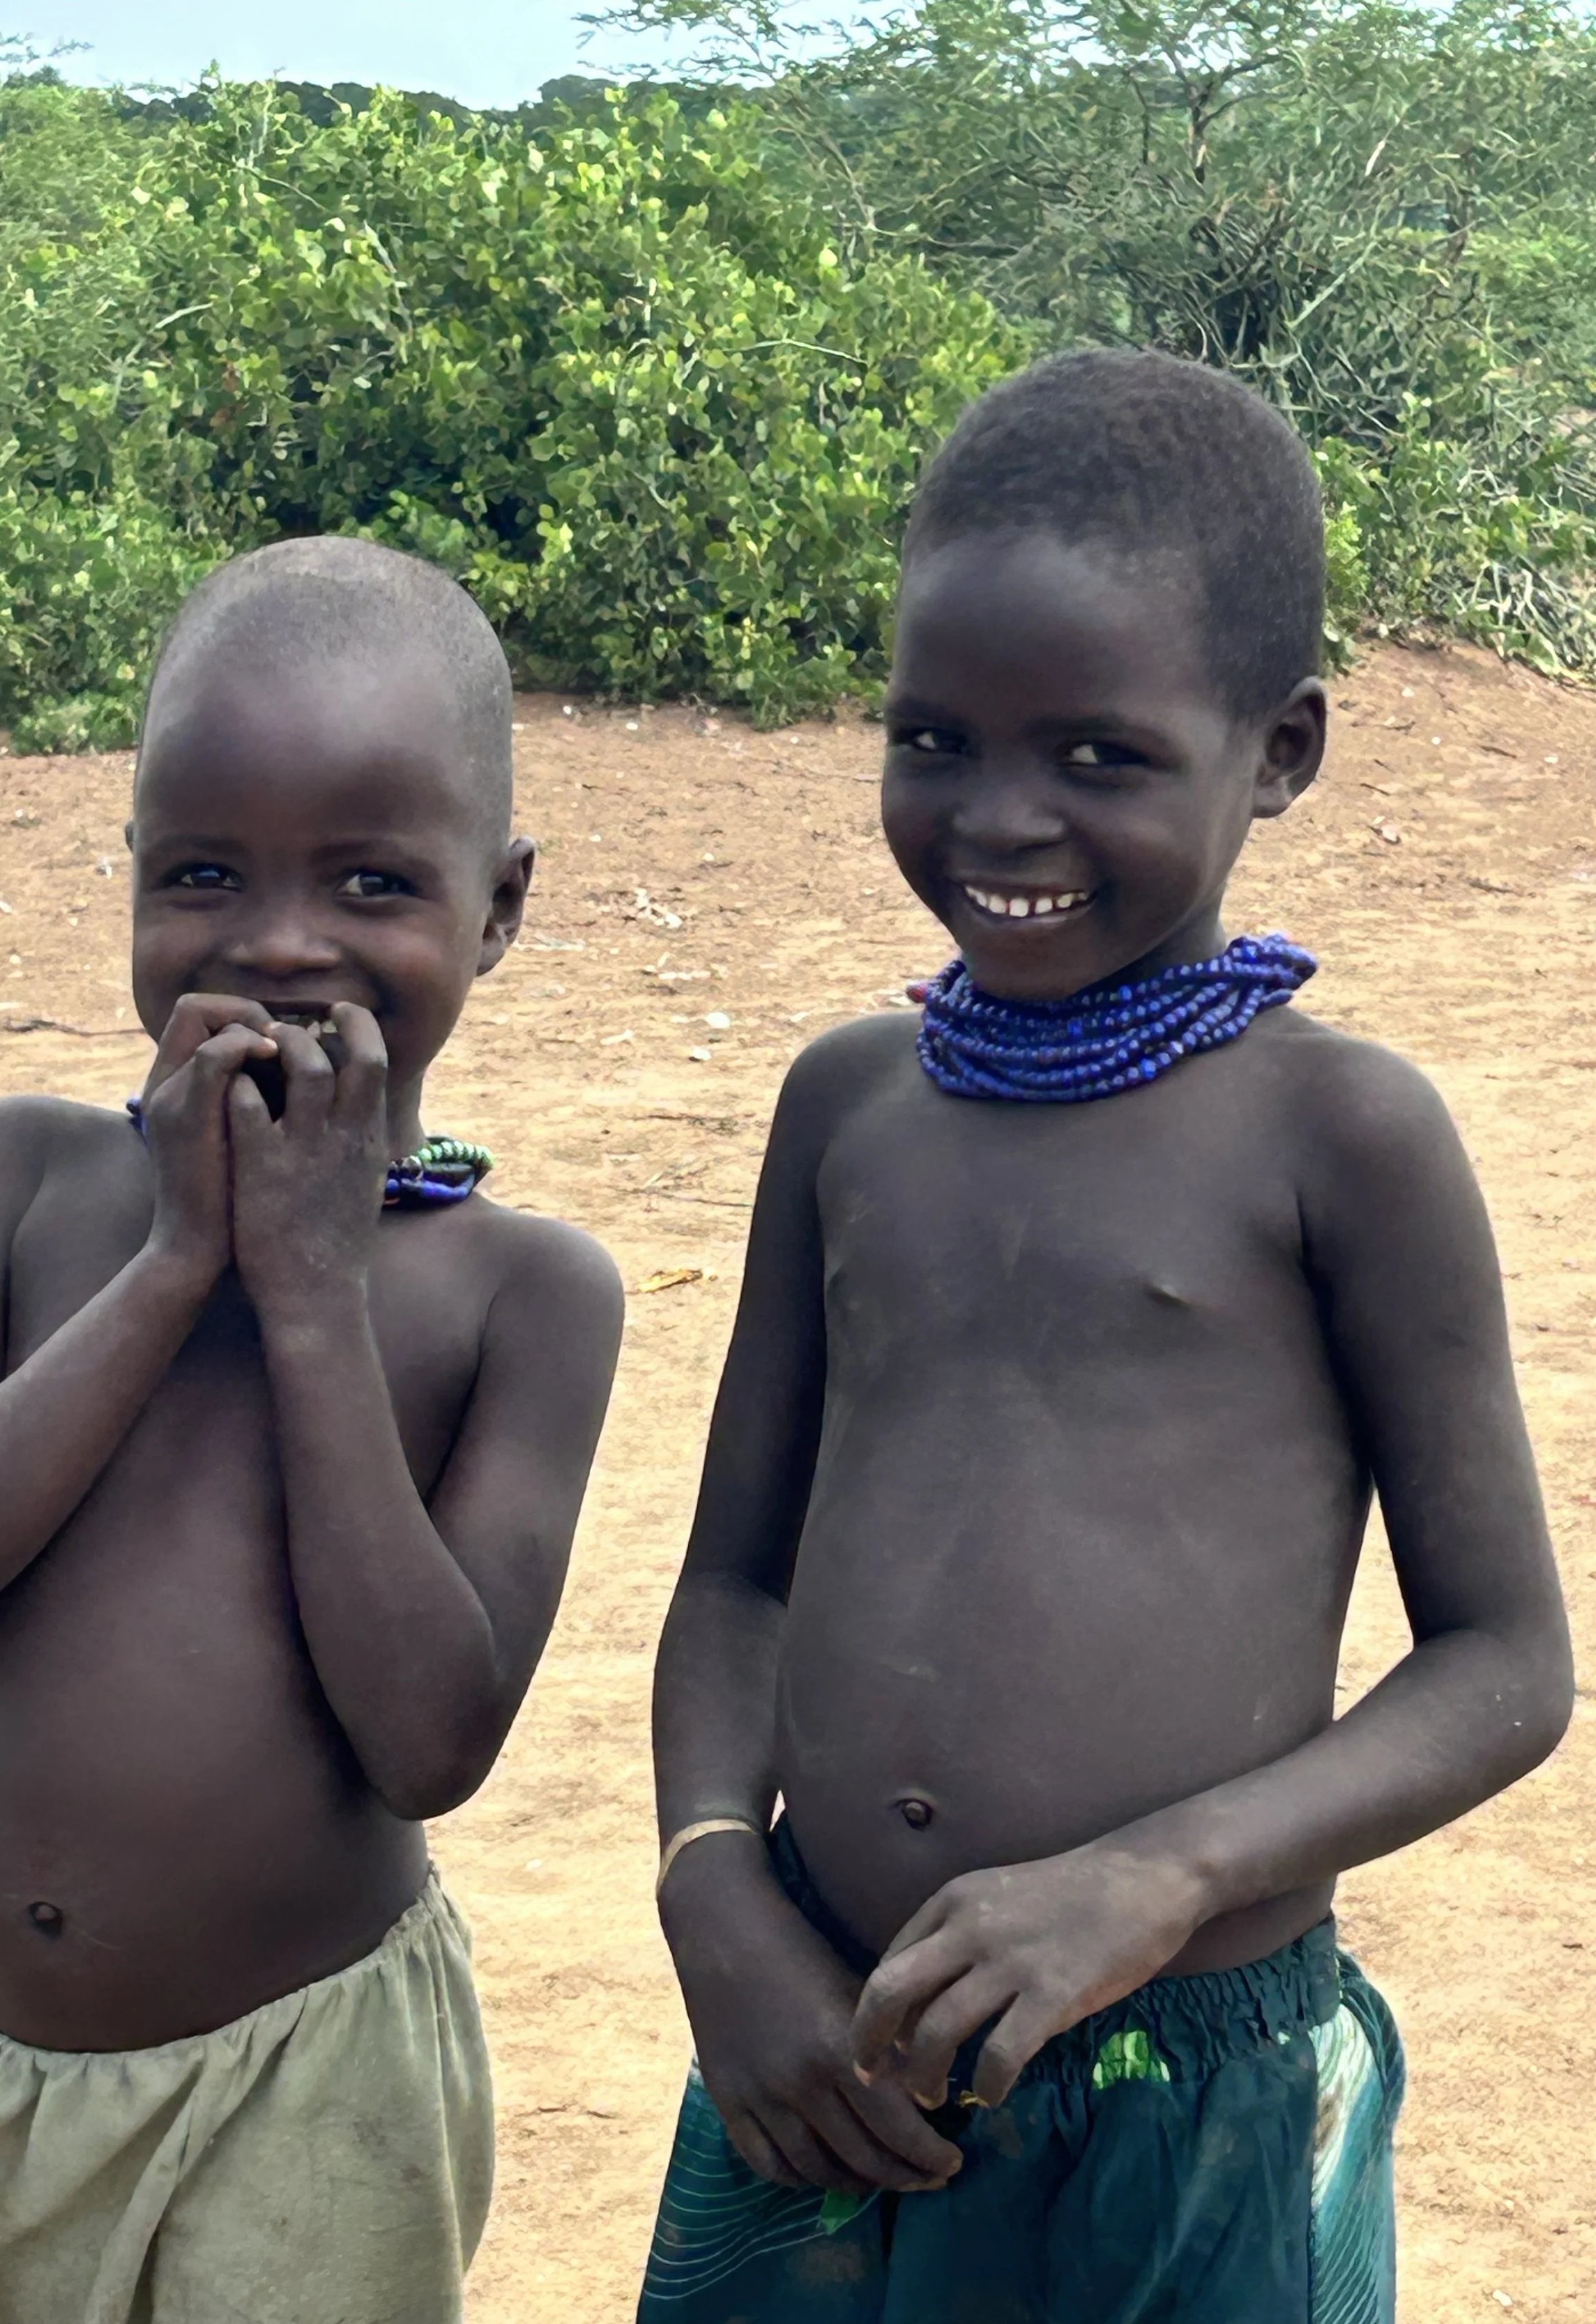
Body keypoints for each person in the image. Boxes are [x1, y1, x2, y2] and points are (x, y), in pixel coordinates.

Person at [638, 350, 1574, 2324]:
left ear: (1280, 749)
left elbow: (1503, 1661)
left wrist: (1153, 1877)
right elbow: (733, 1570)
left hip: (1187, 2087)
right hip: (818, 2044)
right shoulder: (848, 1106)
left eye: (1097, 754)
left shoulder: (1342, 1138)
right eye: (930, 737)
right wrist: (713, 1879)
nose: (998, 814)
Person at [0, 537, 623, 2324]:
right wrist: (173, 1263)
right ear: (129, 878)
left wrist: (306, 1295)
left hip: (314, 2093)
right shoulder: (22, 1179)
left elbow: (431, 1733)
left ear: (495, 906)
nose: (280, 942)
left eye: (371, 880)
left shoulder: (524, 1293)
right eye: (204, 873)